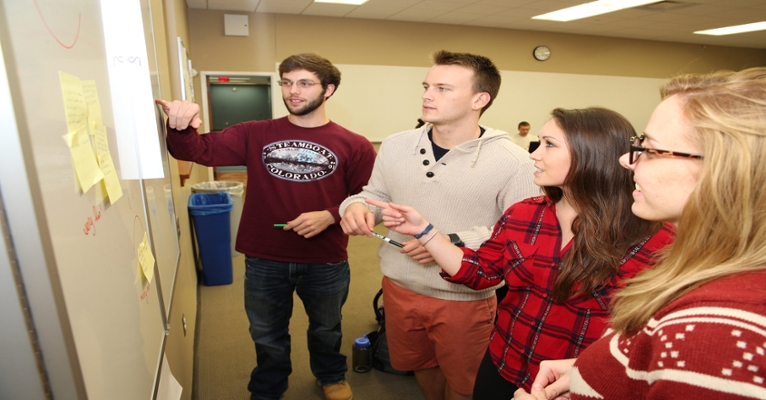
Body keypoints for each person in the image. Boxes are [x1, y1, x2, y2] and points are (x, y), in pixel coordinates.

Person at [518, 68, 766, 400]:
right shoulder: (722, 277)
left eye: (650, 149)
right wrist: (606, 368)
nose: (626, 160)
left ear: (727, 172)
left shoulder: (724, 330)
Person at [367, 107, 675, 400]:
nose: (533, 154)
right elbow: (481, 272)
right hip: (505, 361)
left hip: (576, 379)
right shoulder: (525, 214)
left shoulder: (653, 238)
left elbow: (651, 336)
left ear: (591, 155)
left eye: (549, 145)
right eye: (539, 142)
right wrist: (426, 231)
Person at [157, 53, 376, 400]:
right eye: (287, 82)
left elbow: (369, 198)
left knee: (326, 327)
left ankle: (331, 375)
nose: (293, 91)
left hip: (326, 259)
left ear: (329, 89)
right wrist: (180, 125)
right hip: (264, 257)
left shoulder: (355, 145)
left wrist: (331, 214)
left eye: (304, 83)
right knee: (266, 333)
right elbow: (198, 151)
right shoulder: (255, 133)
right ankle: (269, 387)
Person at [339, 50, 540, 400]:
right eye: (426, 86)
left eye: (443, 88)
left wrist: (447, 240)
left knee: (465, 385)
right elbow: (374, 194)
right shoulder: (396, 144)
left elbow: (521, 237)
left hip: (463, 298)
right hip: (399, 287)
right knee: (421, 366)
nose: (427, 95)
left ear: (481, 99)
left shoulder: (514, 162)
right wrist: (355, 206)